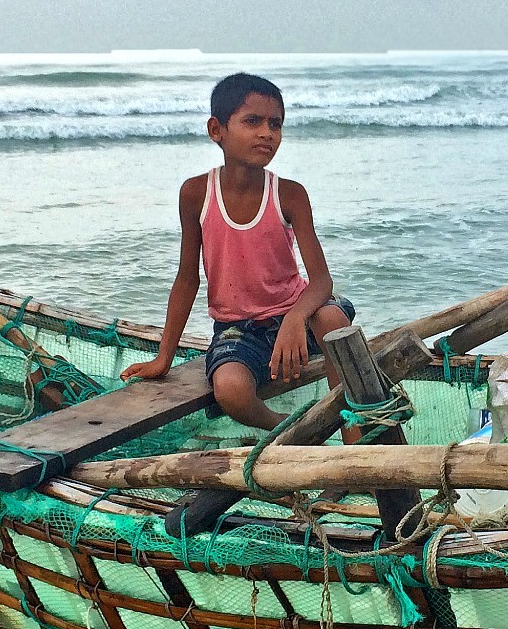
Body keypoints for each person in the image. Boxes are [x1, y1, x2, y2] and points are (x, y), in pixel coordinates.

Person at [120, 72, 353, 429]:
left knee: (333, 319)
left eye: (275, 124)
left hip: (298, 316)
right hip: (238, 330)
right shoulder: (196, 193)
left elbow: (321, 281)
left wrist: (293, 319)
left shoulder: (290, 194)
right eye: (252, 121)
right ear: (217, 130)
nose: (266, 133)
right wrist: (163, 358)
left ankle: (351, 428)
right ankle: (293, 431)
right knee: (230, 391)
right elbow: (187, 279)